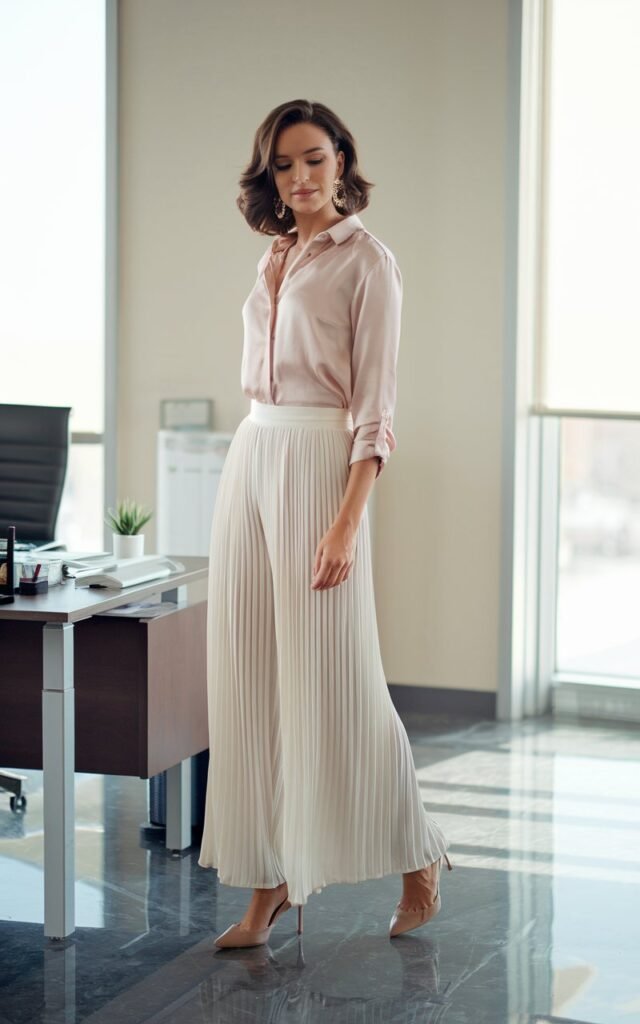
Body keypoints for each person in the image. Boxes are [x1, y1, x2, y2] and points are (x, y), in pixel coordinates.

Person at [197, 99, 452, 948]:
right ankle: (272, 882)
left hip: (319, 467)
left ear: (341, 160)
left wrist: (346, 525)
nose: (300, 178)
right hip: (254, 458)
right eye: (283, 165)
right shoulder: (274, 256)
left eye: (314, 159)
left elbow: (375, 412)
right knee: (252, 675)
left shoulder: (369, 263)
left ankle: (418, 852)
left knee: (339, 676)